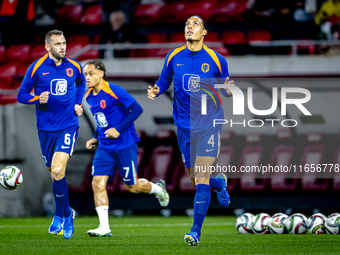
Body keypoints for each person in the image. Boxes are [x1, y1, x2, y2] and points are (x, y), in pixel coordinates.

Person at [147, 16, 233, 246]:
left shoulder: (216, 58)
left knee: (202, 176)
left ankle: (195, 231)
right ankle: (220, 184)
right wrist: (156, 89)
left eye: (195, 24)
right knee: (196, 181)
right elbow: (164, 80)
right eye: (186, 24)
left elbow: (225, 87)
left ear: (204, 32)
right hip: (184, 127)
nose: (190, 26)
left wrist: (228, 90)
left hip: (208, 125)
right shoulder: (174, 56)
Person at [84, 60, 169, 237]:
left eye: (91, 73)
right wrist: (95, 137)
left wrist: (119, 129)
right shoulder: (89, 97)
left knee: (132, 187)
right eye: (85, 74)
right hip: (105, 147)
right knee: (97, 182)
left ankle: (159, 189)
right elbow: (102, 121)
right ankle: (104, 227)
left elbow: (137, 110)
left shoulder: (115, 90)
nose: (87, 77)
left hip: (124, 145)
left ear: (101, 73)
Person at [17, 30, 85, 239]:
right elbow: (21, 94)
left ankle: (58, 215)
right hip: (45, 129)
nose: (63, 47)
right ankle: (67, 213)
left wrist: (77, 103)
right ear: (47, 47)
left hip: (68, 126)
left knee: (57, 169)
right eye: (57, 44)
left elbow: (81, 84)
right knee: (55, 173)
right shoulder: (36, 68)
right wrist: (37, 98)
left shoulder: (74, 66)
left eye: (64, 43)